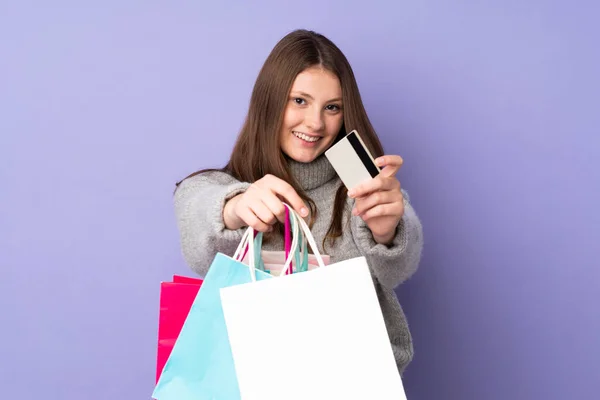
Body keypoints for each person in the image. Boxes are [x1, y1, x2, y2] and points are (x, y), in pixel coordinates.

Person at [173, 29, 424, 374]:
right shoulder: (224, 188)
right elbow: (197, 211)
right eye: (300, 101)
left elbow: (399, 268)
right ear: (270, 101)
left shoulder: (362, 192)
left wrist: (388, 232)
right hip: (243, 385)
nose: (316, 123)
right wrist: (234, 207)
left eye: (332, 107)